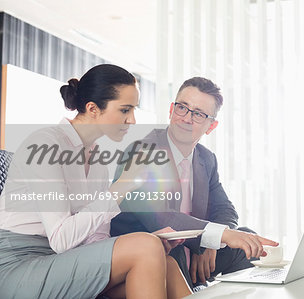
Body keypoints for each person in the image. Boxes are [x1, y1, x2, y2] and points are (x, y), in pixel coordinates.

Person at [0, 64, 192, 299]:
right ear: (92, 108)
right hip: (21, 266)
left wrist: (149, 242)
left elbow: (95, 239)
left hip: (62, 261)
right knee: (145, 246)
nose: (132, 120)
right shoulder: (45, 145)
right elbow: (61, 239)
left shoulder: (98, 159)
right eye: (125, 110)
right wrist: (122, 185)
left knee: (167, 264)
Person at [111, 77, 278, 289]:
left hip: (193, 252)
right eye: (182, 108)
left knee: (247, 240)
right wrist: (215, 238)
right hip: (158, 251)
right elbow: (162, 219)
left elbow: (225, 209)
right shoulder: (143, 152)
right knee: (177, 244)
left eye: (198, 114)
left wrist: (213, 244)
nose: (186, 118)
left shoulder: (206, 159)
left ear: (211, 126)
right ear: (171, 110)